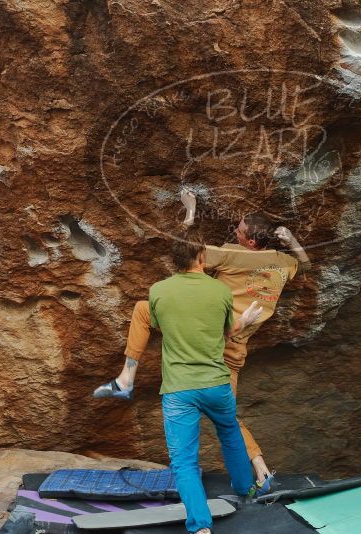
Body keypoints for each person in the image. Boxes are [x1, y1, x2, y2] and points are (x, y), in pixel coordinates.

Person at [95, 189, 310, 485]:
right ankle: (260, 468)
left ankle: (126, 378)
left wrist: (191, 212)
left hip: (205, 340)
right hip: (232, 356)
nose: (234, 230)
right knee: (228, 417)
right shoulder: (282, 264)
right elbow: (306, 265)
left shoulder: (233, 254)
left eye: (240, 229)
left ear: (249, 242)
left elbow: (184, 250)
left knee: (144, 309)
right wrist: (291, 241)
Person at [143, 231, 262, 534]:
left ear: (175, 259)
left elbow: (159, 325)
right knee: (230, 433)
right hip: (215, 383)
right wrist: (245, 321)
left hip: (178, 388)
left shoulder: (158, 291)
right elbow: (227, 332)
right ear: (202, 257)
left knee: (183, 460)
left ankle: (200, 527)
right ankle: (246, 489)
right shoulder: (220, 291)